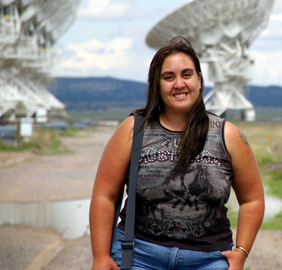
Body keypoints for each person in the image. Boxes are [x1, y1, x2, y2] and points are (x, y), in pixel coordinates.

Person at [89, 36, 265, 270]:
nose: (179, 83)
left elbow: (252, 199)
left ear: (200, 80)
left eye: (187, 74)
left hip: (208, 259)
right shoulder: (133, 130)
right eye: (168, 77)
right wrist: (101, 256)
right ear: (156, 84)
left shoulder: (228, 135)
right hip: (140, 256)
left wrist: (241, 252)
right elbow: (105, 196)